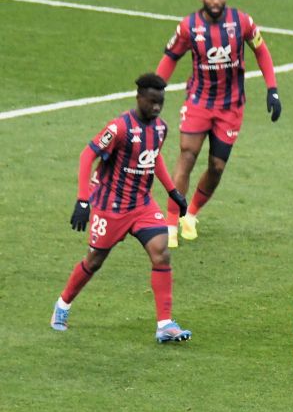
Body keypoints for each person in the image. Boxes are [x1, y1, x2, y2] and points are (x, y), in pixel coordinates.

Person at [50, 74, 191, 343]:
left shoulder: (160, 128)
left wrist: (173, 191)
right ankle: (63, 305)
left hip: (142, 204)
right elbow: (87, 155)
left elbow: (153, 157)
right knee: (94, 260)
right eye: (152, 102)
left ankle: (164, 324)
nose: (156, 107)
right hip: (111, 206)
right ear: (139, 98)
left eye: (160, 102)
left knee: (161, 254)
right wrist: (83, 200)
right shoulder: (119, 128)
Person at [156, 0, 282, 247]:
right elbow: (170, 58)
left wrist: (272, 89)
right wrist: (155, 92)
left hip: (231, 107)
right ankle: (170, 223)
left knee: (216, 166)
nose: (215, 1)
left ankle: (191, 215)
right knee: (187, 156)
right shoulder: (189, 27)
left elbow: (261, 51)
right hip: (199, 103)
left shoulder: (242, 22)